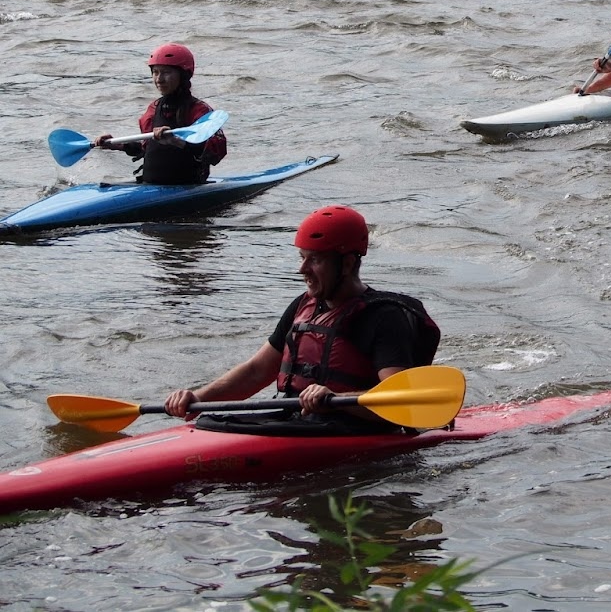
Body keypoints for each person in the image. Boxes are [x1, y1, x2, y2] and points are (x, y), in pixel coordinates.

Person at [164, 205, 441, 433]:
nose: (302, 269)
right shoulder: (303, 305)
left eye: (315, 260)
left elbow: (397, 404)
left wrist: (335, 400)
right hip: (298, 423)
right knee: (211, 422)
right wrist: (199, 398)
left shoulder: (383, 317)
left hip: (351, 432)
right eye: (302, 257)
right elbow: (257, 371)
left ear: (346, 263)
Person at [94, 43, 228, 184]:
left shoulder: (199, 110)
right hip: (150, 185)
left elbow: (215, 154)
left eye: (166, 72)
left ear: (183, 75)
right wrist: (118, 145)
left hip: (187, 186)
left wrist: (177, 142)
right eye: (156, 72)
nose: (159, 79)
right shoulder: (153, 108)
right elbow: (147, 147)